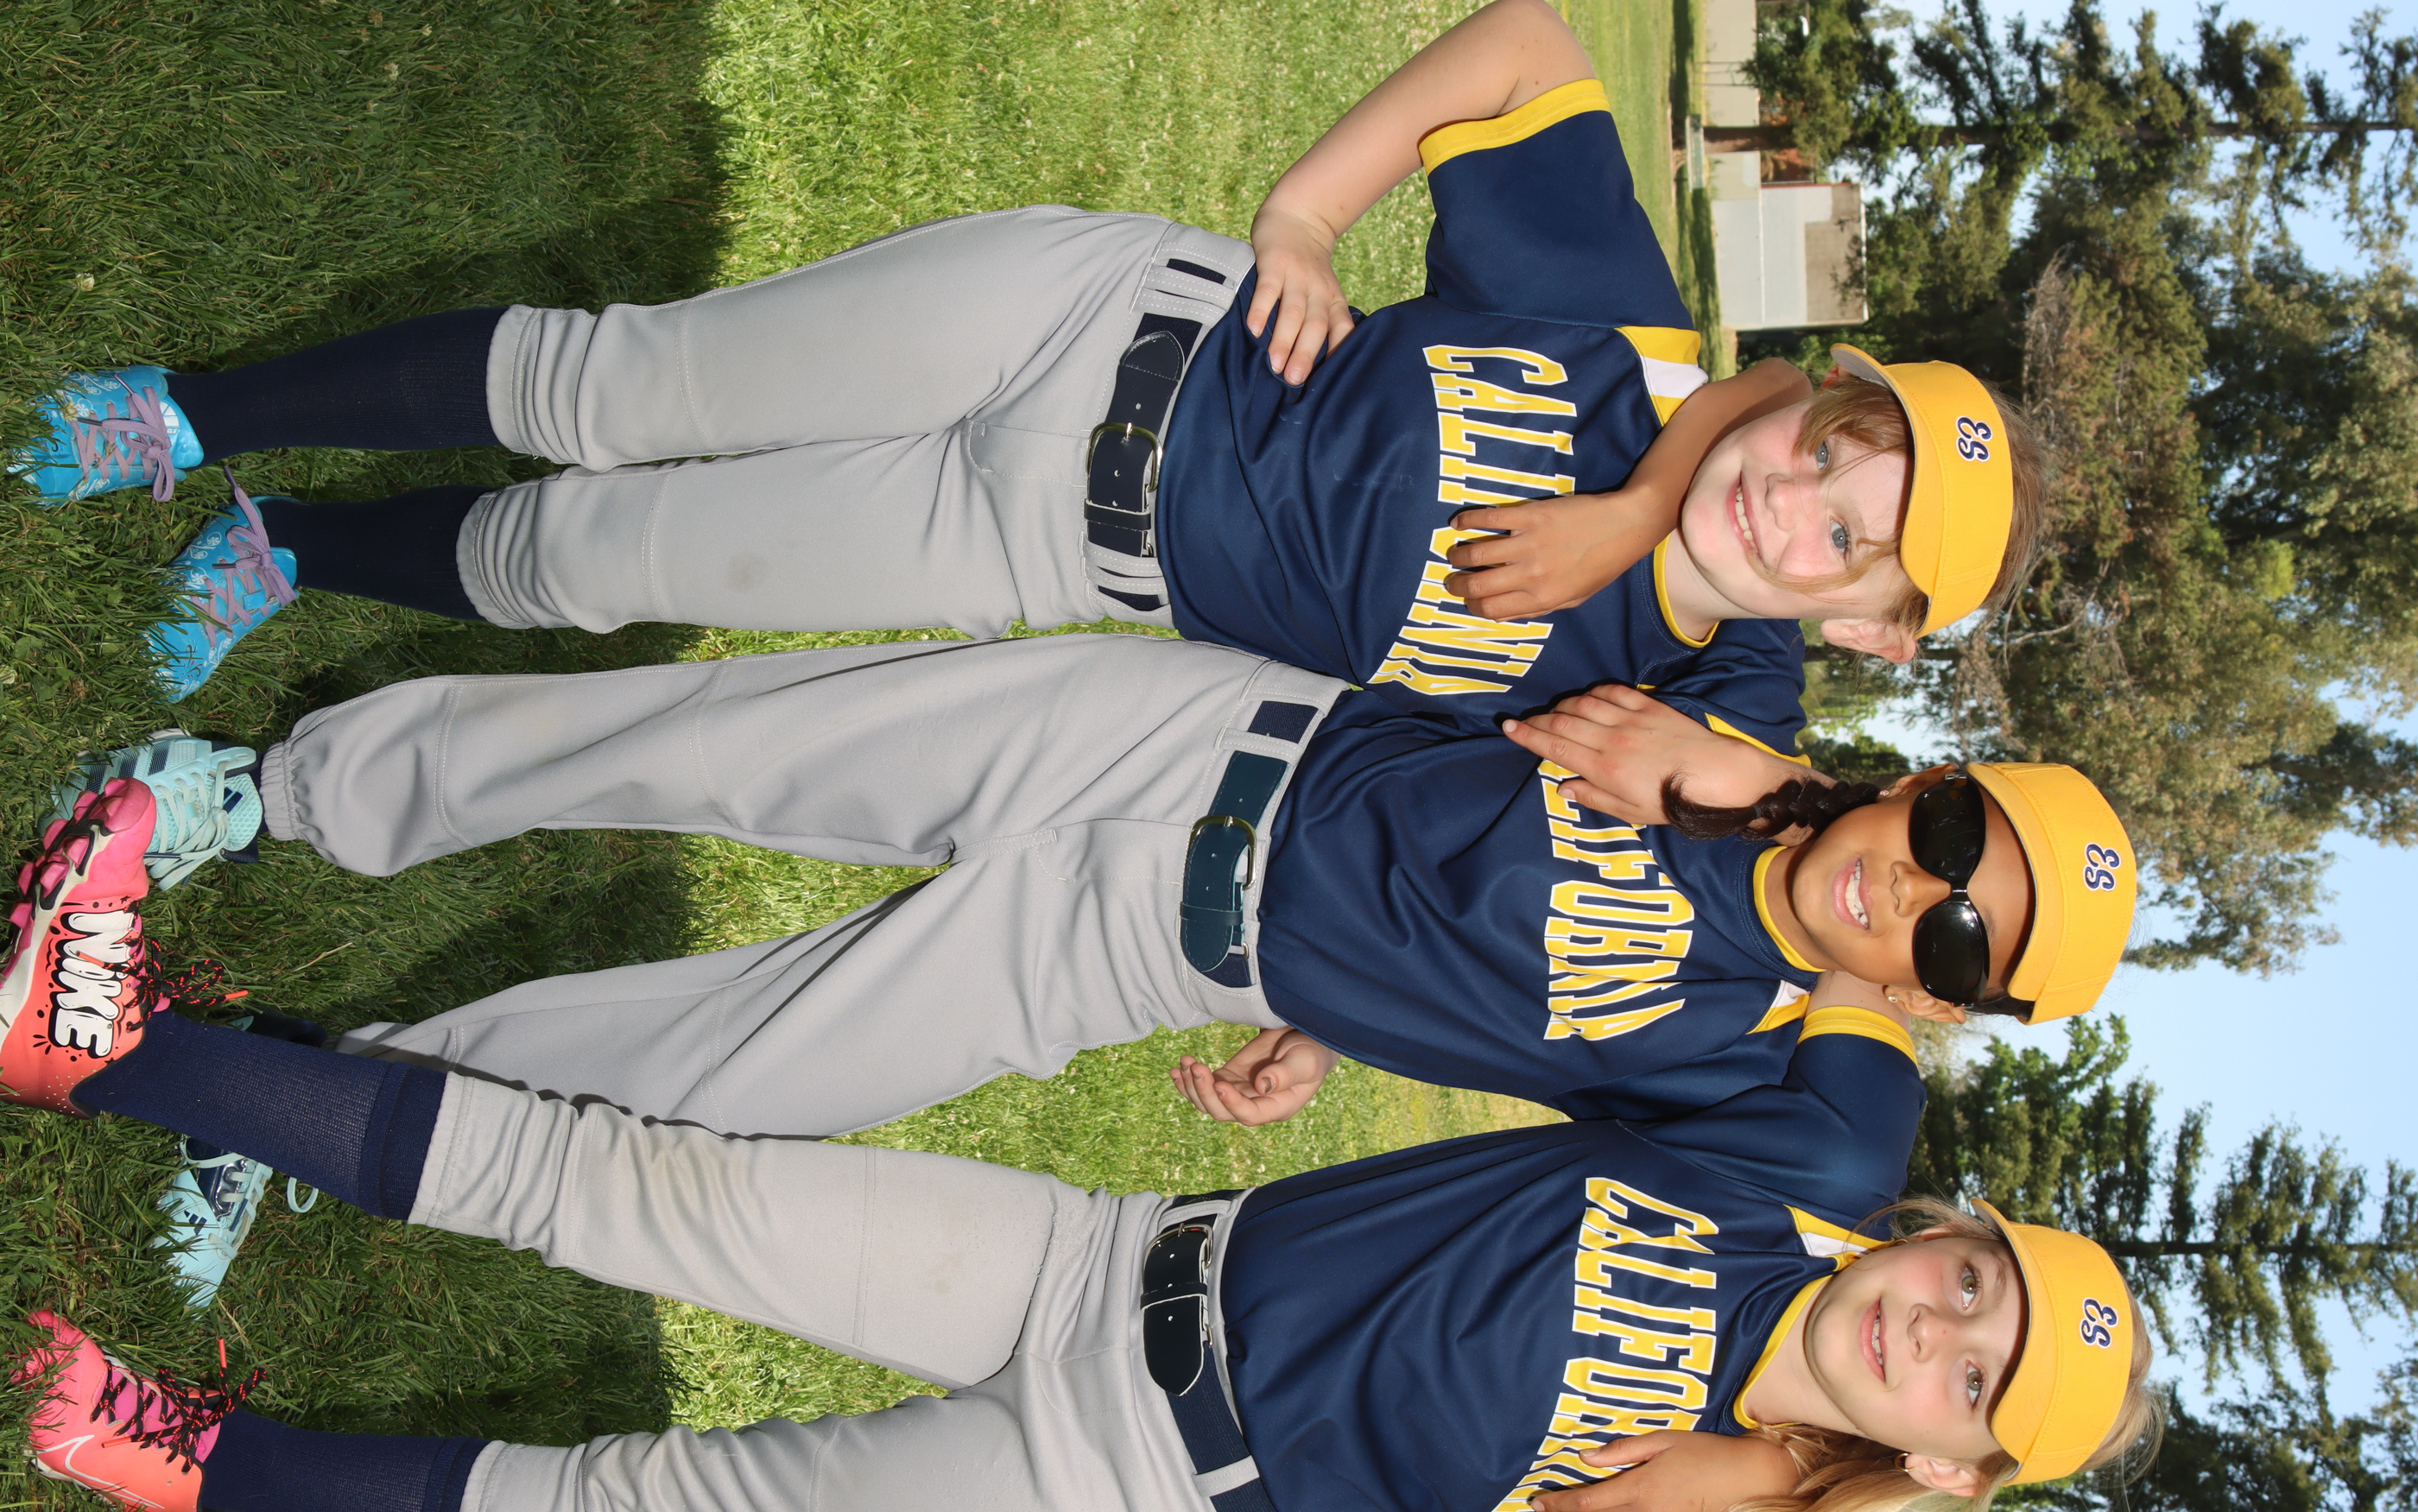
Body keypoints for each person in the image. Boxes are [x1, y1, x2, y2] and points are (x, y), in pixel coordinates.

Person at [3, 800, 2155, 1512]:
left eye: (1974, 1385)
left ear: (1950, 1466)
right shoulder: (1779, 1167)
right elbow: (1861, 916)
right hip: (1099, 1260)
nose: (1935, 1330)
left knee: (652, 1505)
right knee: (633, 1183)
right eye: (1976, 1287)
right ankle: (102, 1048)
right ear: (1946, 1237)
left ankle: (199, 1464)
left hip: (1120, 1502)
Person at [9, 0, 2035, 732]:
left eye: (1844, 540)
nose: (1794, 499)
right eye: (1835, 446)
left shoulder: (1661, 704)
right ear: (1822, 392)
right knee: (611, 389)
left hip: (1037, 552)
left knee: (592, 569)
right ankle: (191, 416)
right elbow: (1523, 46)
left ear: (1864, 630)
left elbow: (1755, 861)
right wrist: (1303, 217)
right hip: (1096, 325)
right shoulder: (1637, 350)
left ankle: (291, 550)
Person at [50, 609, 2136, 1155]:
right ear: (1925, 779)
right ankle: (258, 791)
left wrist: (1325, 1021)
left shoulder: (1734, 1060)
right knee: (696, 748)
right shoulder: (1739, 690)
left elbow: (1835, 1166)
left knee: (709, 1083)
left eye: (1962, 940)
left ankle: (308, 1081)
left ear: (1936, 997)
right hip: (1177, 743)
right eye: (1953, 838)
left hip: (1134, 951)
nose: (1917, 891)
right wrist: (1736, 767)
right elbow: (1747, 451)